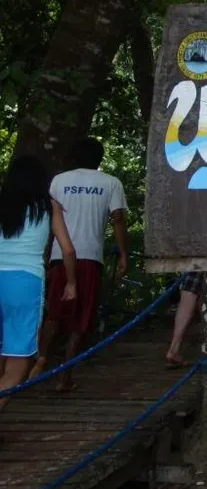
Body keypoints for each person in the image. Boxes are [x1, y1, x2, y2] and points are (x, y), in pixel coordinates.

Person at [32, 138, 127, 391]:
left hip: (59, 256)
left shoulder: (58, 181)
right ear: (99, 159)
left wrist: (44, 253)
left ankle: (40, 359)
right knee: (81, 320)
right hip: (90, 256)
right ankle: (64, 376)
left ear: (74, 157)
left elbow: (47, 218)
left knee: (54, 312)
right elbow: (118, 218)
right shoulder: (110, 182)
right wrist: (123, 254)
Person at [0, 156, 76, 414]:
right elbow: (67, 250)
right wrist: (71, 283)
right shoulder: (48, 206)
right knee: (19, 361)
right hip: (25, 282)